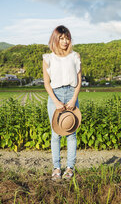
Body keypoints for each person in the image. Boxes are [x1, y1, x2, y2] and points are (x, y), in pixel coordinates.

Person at [42, 25, 81, 180]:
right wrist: (56, 101)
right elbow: (46, 83)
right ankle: (57, 168)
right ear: (55, 39)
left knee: (71, 133)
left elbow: (79, 81)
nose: (65, 41)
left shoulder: (75, 56)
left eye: (67, 38)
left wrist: (73, 99)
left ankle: (70, 168)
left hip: (72, 94)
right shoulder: (48, 58)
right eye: (62, 38)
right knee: (55, 134)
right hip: (55, 95)